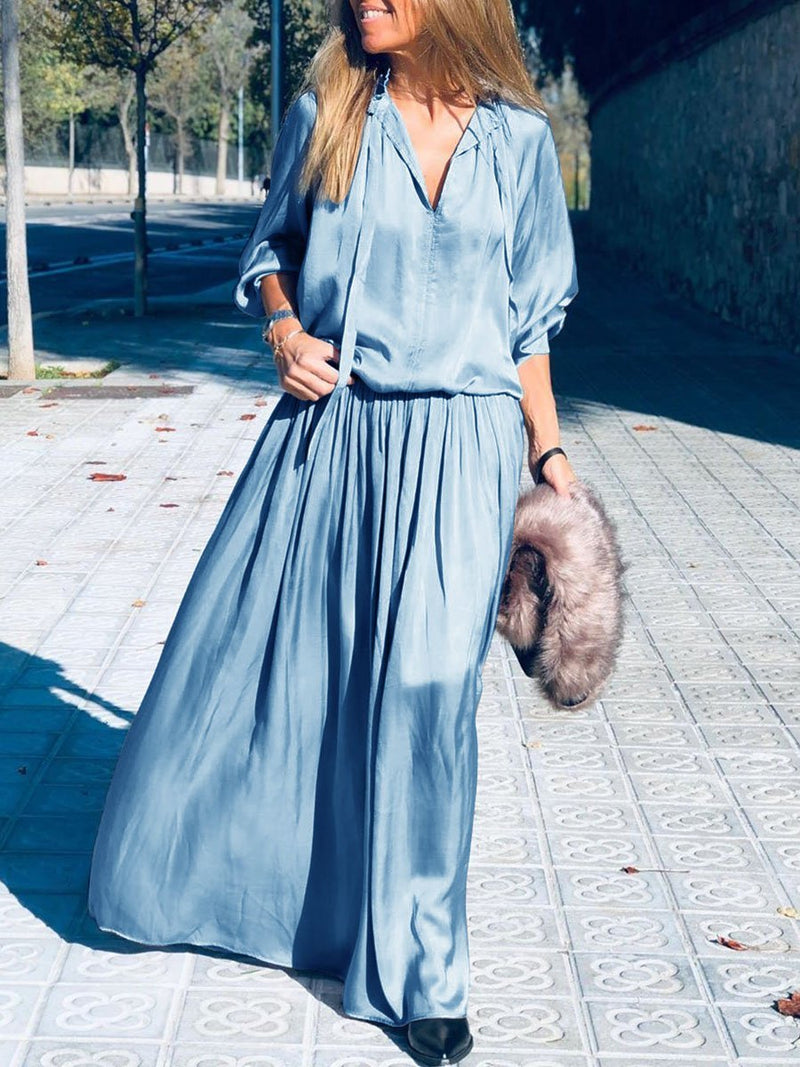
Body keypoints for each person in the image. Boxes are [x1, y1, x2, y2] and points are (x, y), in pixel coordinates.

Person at [87, 0, 578, 1063]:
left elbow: (529, 326)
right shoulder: (331, 112)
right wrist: (281, 326)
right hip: (336, 432)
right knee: (283, 676)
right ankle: (262, 893)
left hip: (462, 449)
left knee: (427, 699)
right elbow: (273, 249)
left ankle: (424, 972)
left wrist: (548, 456)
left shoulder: (520, 143)